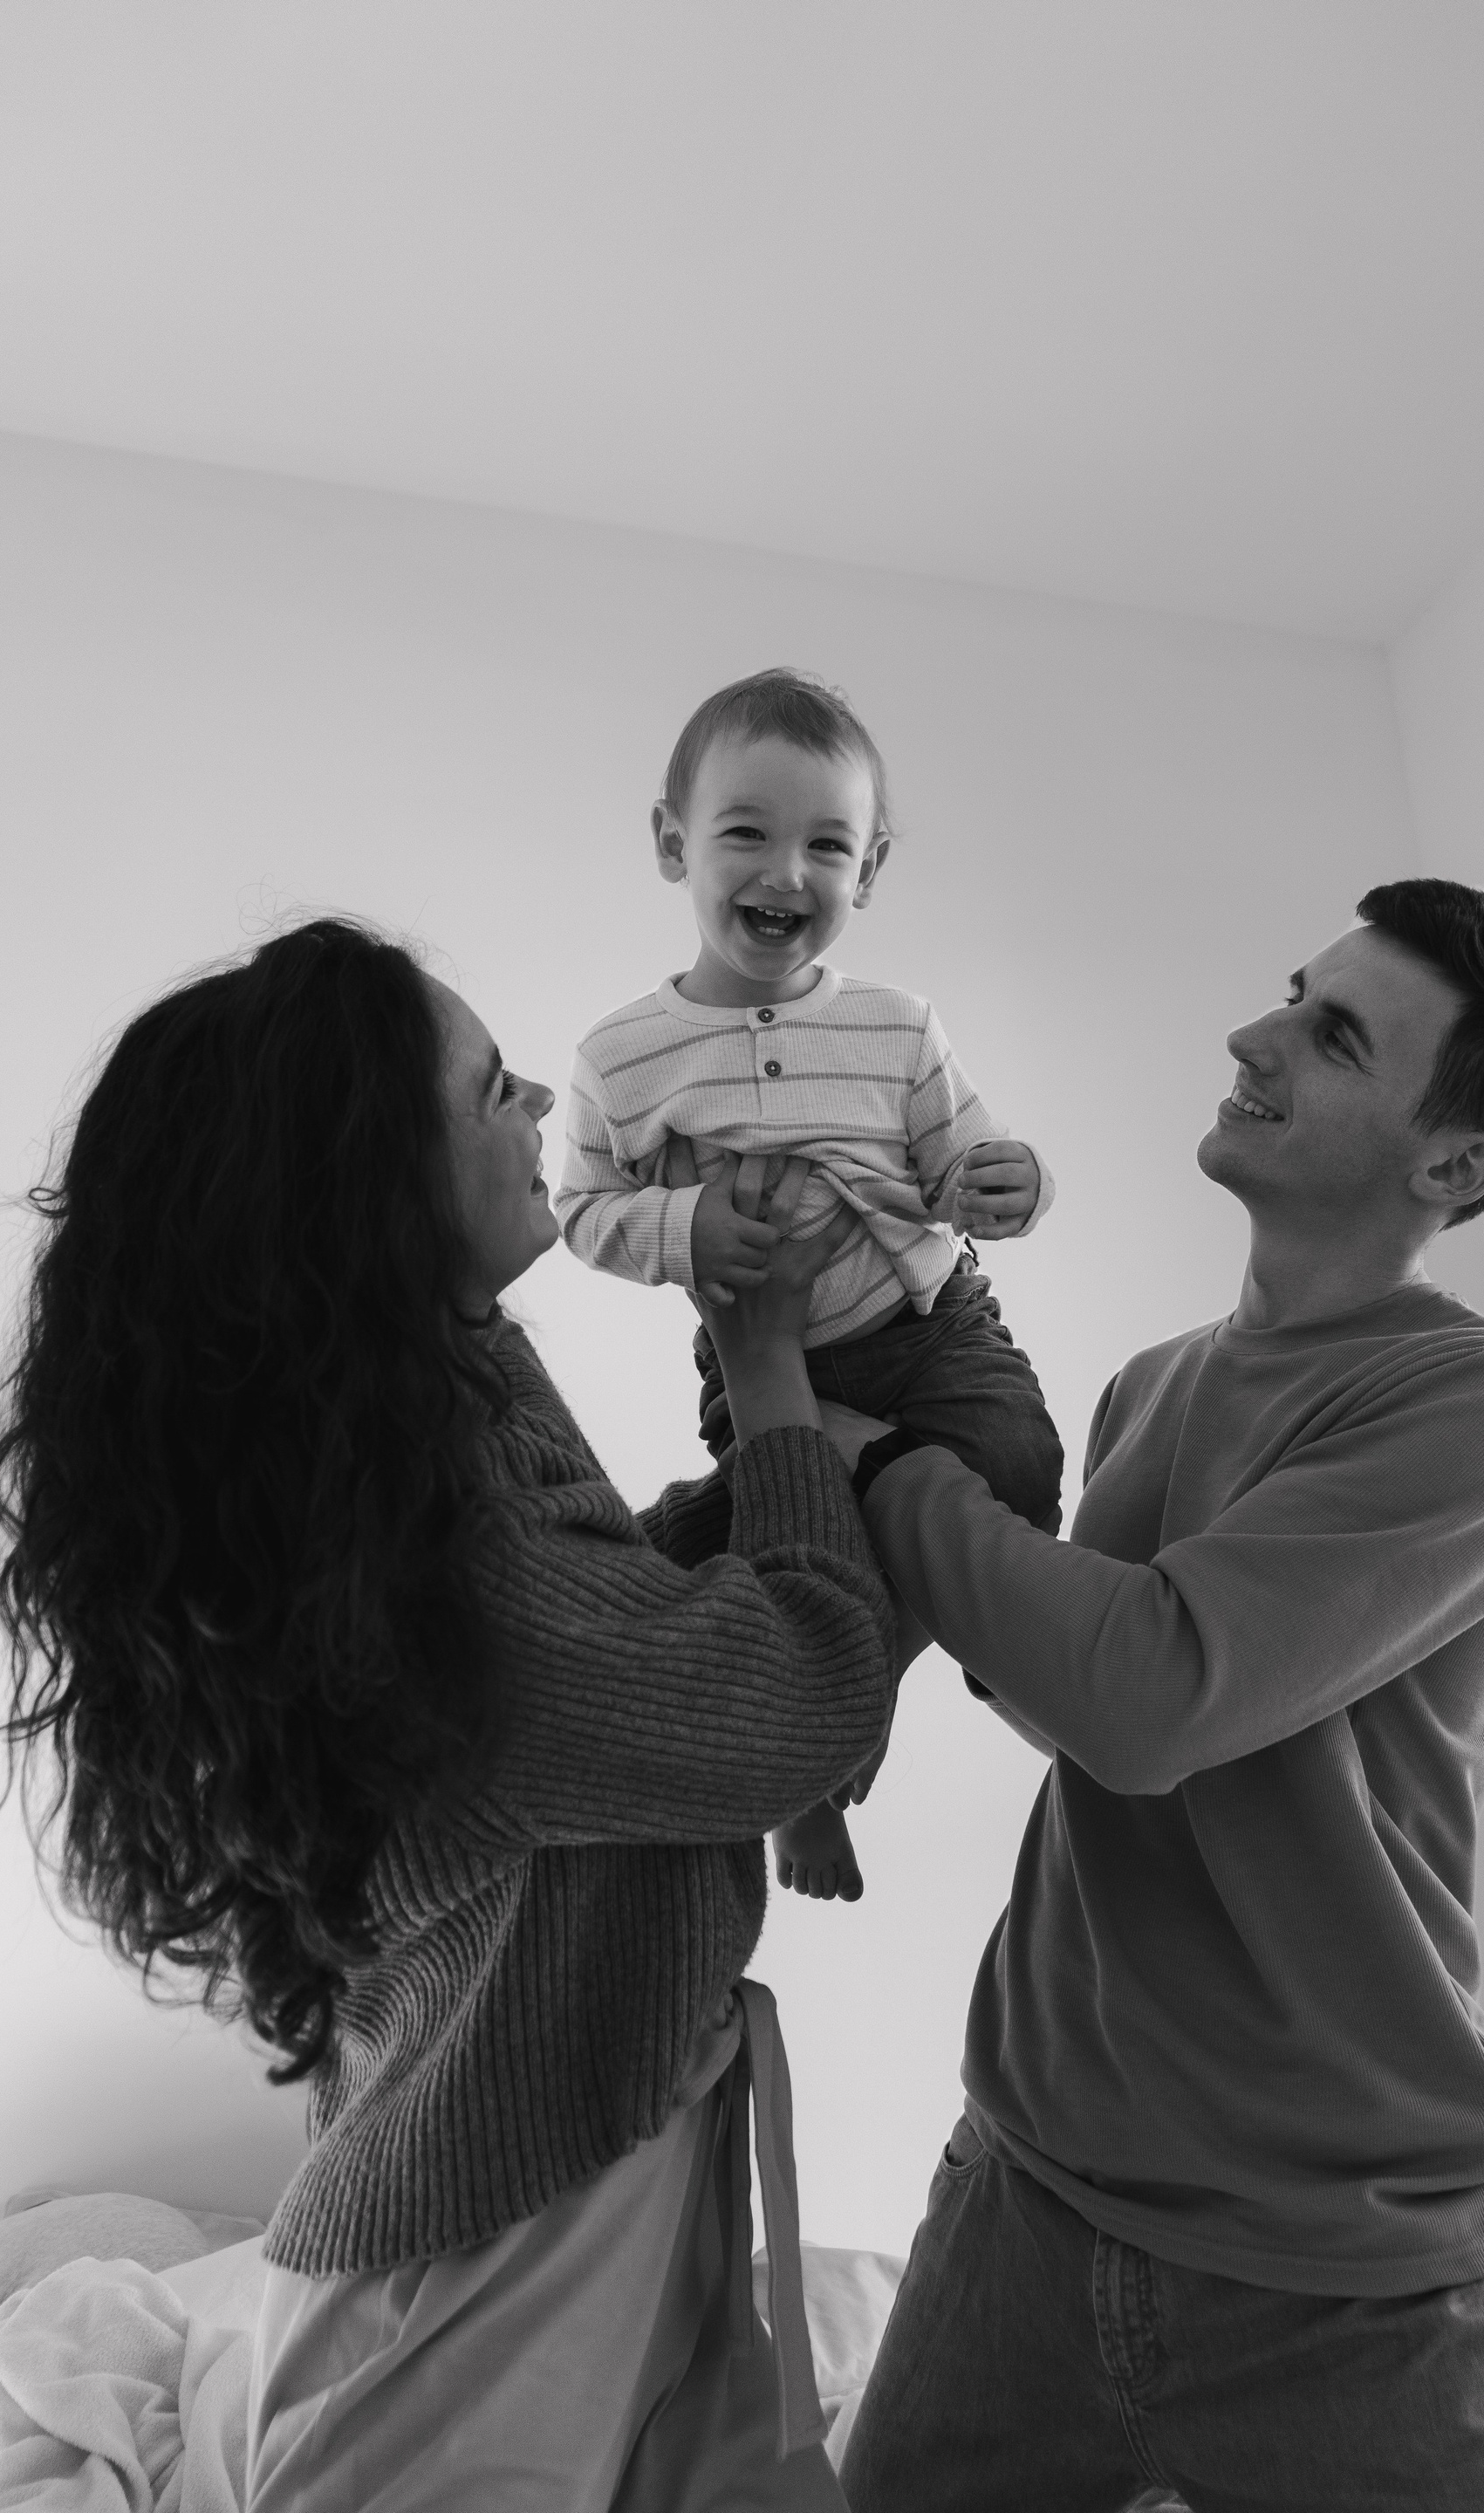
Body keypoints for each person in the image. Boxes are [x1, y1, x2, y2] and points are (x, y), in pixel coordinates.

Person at [0, 917, 897, 2513]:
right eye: (489, 1089)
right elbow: (796, 1697)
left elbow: (603, 1615)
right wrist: (768, 1384)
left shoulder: (397, 1444)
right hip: (480, 2280)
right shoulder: (449, 1561)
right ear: (369, 1193)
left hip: (516, 2196)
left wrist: (765, 1479)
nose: (538, 1101)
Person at [822, 879, 1484, 2511]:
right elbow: (1077, 1704)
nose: (1256, 1038)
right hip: (1026, 2193)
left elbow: (1147, 1698)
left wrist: (881, 1469)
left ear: (1456, 1167)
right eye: (1290, 996)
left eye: (1336, 1038)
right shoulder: (1156, 1382)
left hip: (1341, 2264)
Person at [557, 666, 1063, 1900]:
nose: (787, 873)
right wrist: (682, 1226)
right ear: (673, 844)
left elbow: (966, 1159)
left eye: (828, 847)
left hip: (928, 1322)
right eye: (746, 833)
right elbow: (579, 1211)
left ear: (868, 870)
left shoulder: (898, 1026)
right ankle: (807, 1770)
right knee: (802, 1556)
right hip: (763, 1360)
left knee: (1019, 1472)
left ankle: (858, 1722)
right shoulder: (621, 1057)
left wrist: (1013, 1183)